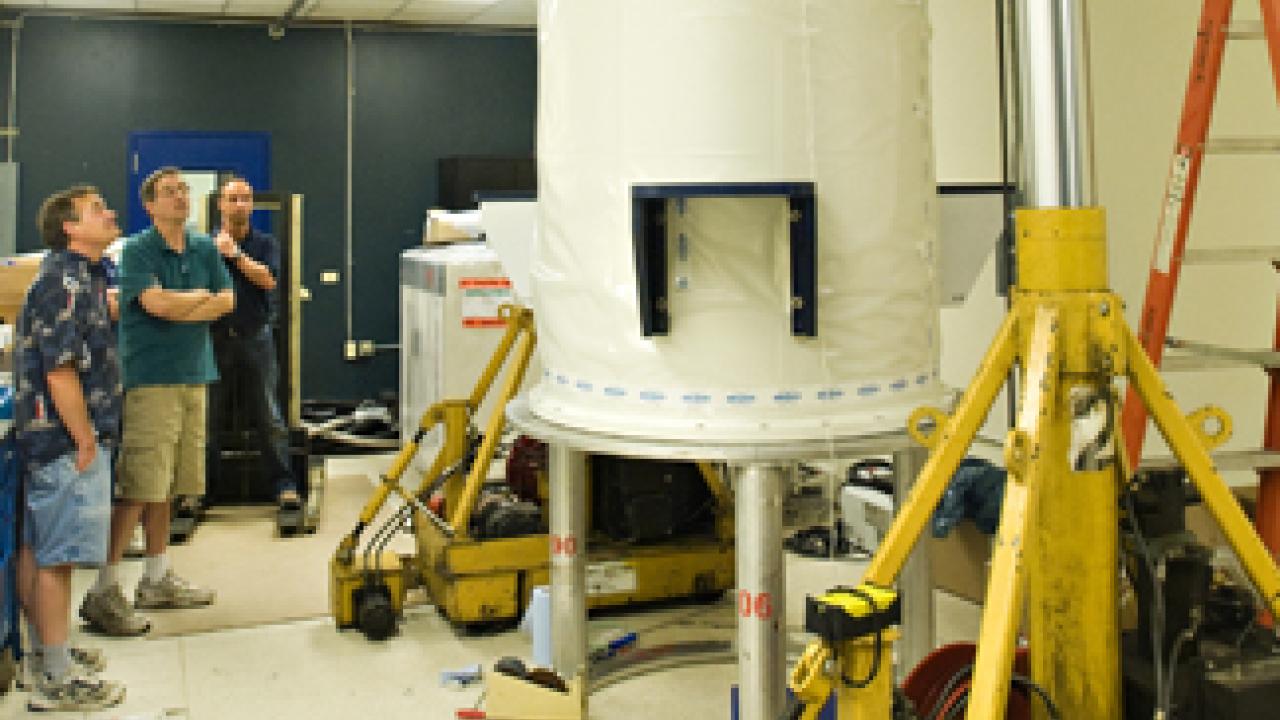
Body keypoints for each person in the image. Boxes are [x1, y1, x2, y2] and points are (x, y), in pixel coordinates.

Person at [79, 167, 234, 635]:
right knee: (140, 484)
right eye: (170, 192)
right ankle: (103, 590)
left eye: (184, 190)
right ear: (150, 205)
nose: (181, 198)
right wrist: (195, 300)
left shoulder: (204, 247)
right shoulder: (138, 251)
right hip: (151, 379)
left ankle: (156, 576)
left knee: (169, 485)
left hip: (194, 375)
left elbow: (226, 300)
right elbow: (154, 306)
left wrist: (184, 301)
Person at [14, 185, 126, 710]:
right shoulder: (63, 282)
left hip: (60, 439)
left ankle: (47, 654)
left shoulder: (87, 277)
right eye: (96, 210)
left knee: (42, 551)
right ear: (70, 228)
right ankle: (55, 682)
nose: (109, 214)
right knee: (58, 561)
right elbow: (60, 373)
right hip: (65, 441)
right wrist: (84, 439)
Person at [206, 175, 298, 509]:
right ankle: (202, 491)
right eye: (233, 199)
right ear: (221, 204)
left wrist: (235, 255)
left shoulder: (264, 244)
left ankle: (283, 485)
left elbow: (268, 279)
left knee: (269, 415)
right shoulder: (204, 245)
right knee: (208, 418)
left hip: (255, 337)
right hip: (214, 339)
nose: (240, 205)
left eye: (245, 198)